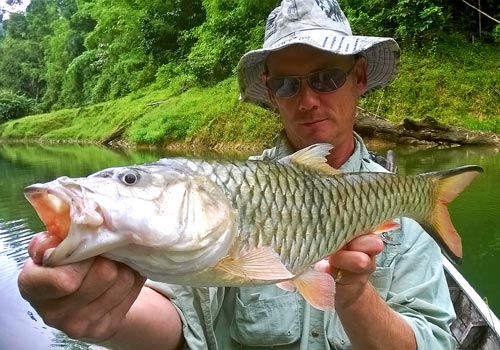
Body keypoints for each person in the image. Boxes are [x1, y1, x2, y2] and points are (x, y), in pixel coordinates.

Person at [18, 0, 457, 349]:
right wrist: (105, 319)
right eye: (287, 84)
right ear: (270, 91)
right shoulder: (226, 196)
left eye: (325, 79)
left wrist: (356, 295)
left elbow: (434, 343)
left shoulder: (399, 206)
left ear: (359, 76)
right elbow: (176, 317)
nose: (306, 101)